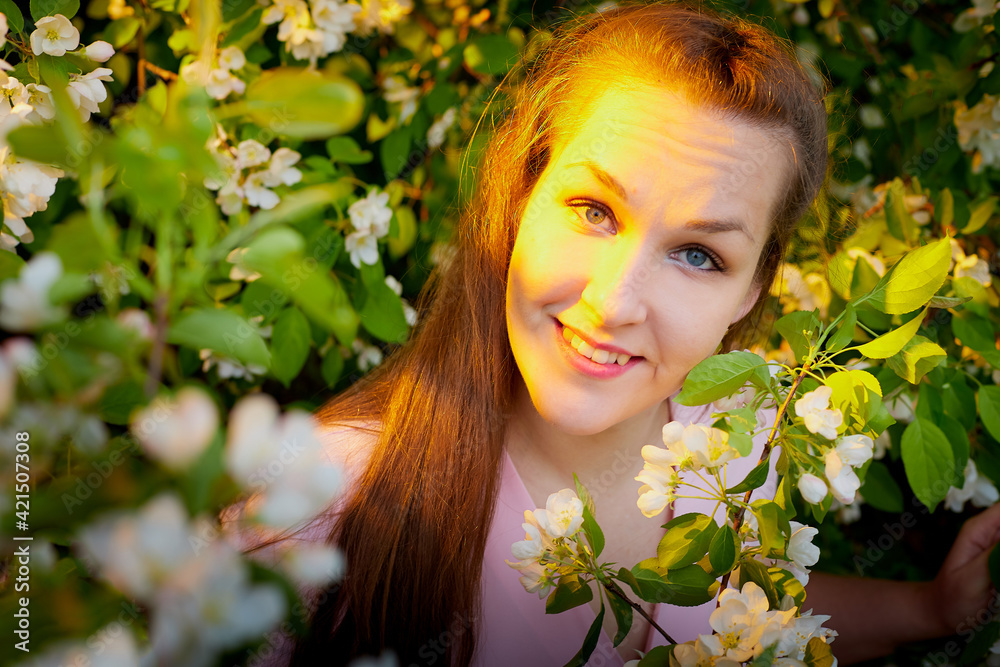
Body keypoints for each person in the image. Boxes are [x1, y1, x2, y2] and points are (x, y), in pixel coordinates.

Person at [222, 2, 1000, 665]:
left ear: (752, 288)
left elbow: (749, 607)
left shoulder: (740, 435)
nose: (614, 301)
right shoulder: (318, 499)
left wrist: (932, 609)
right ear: (522, 196)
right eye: (595, 210)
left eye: (699, 254)